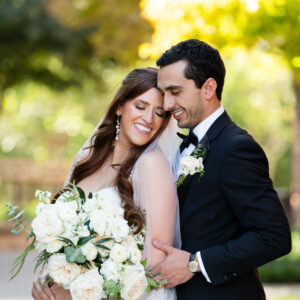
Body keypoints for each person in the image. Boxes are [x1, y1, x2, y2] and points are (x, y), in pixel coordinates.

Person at [152, 39, 292, 300]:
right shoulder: (178, 146)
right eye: (164, 94)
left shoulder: (235, 148)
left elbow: (274, 237)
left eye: (175, 92)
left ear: (208, 88)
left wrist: (195, 263)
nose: (167, 104)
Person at [31, 67, 181, 300]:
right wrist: (50, 279)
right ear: (120, 106)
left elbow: (155, 264)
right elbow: (64, 242)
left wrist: (79, 292)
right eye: (140, 106)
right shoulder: (87, 159)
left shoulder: (152, 164)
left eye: (159, 112)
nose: (149, 119)